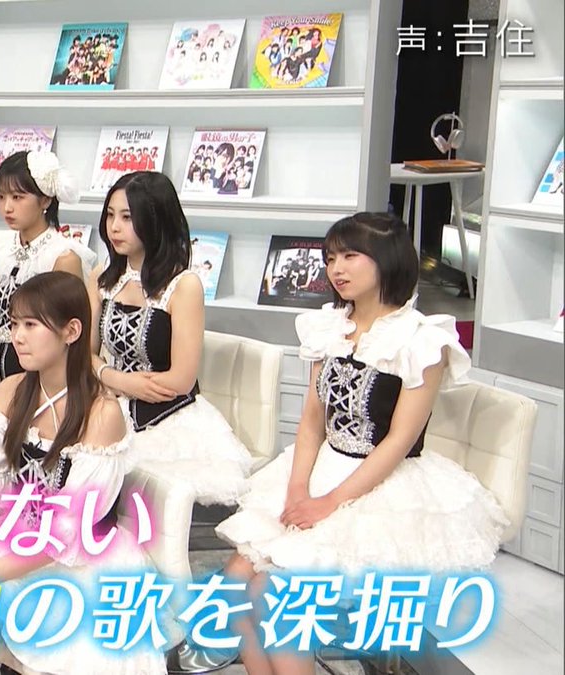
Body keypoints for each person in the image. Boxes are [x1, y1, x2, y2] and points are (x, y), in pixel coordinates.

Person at [215, 212, 506, 674]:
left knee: (272, 598)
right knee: (233, 589)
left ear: (387, 259)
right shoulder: (328, 327)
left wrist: (328, 503)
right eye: (331, 258)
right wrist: (297, 489)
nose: (337, 268)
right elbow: (312, 423)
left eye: (351, 256)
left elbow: (399, 441)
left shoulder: (422, 340)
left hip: (381, 486)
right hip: (321, 469)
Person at [0, 272, 175, 675]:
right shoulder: (13, 391)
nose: (17, 336)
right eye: (14, 323)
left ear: (71, 331)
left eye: (31, 325)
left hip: (78, 561)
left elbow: (64, 537)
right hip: (18, 538)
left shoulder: (102, 415)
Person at [92, 172, 252, 505]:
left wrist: (108, 376)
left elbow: (181, 379)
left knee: (134, 486)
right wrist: (118, 380)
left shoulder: (184, 285)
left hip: (166, 414)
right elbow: (82, 354)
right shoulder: (102, 278)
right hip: (108, 400)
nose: (114, 227)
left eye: (127, 217)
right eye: (110, 215)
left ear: (155, 220)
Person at [0, 150, 95, 400]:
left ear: (45, 200)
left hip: (37, 377)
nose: (7, 207)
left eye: (17, 197)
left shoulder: (63, 257)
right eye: (1, 197)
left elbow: (70, 337)